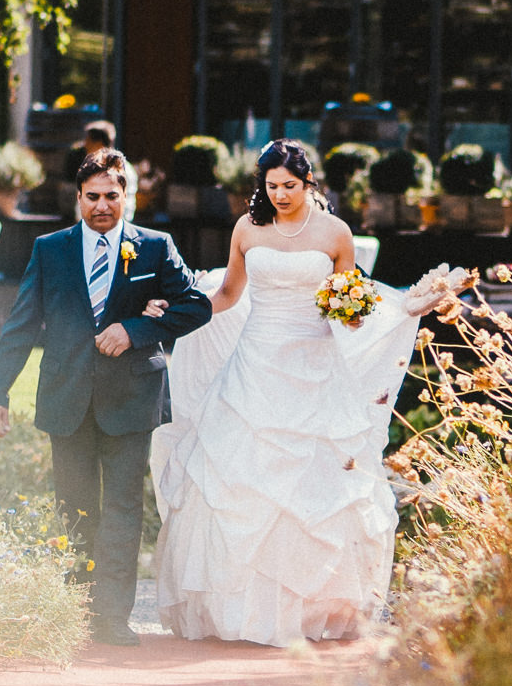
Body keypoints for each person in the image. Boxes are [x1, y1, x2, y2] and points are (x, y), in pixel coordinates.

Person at [150, 139, 436, 646]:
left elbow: (354, 306)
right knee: (238, 479)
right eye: (271, 185)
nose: (280, 194)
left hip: (315, 368)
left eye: (289, 186)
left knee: (314, 490)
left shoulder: (335, 233)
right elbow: (228, 295)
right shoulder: (246, 227)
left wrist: (397, 311)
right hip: (253, 368)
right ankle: (235, 611)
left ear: (308, 184)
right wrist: (176, 315)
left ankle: (311, 610)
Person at [0, 150, 211, 646]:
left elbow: (198, 305)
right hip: (66, 399)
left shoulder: (155, 247)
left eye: (112, 195)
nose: (102, 205)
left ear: (126, 196)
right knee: (74, 507)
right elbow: (21, 325)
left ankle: (112, 617)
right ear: (78, 199)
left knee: (124, 508)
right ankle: (77, 610)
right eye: (93, 197)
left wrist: (136, 329)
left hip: (131, 398)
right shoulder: (50, 250)